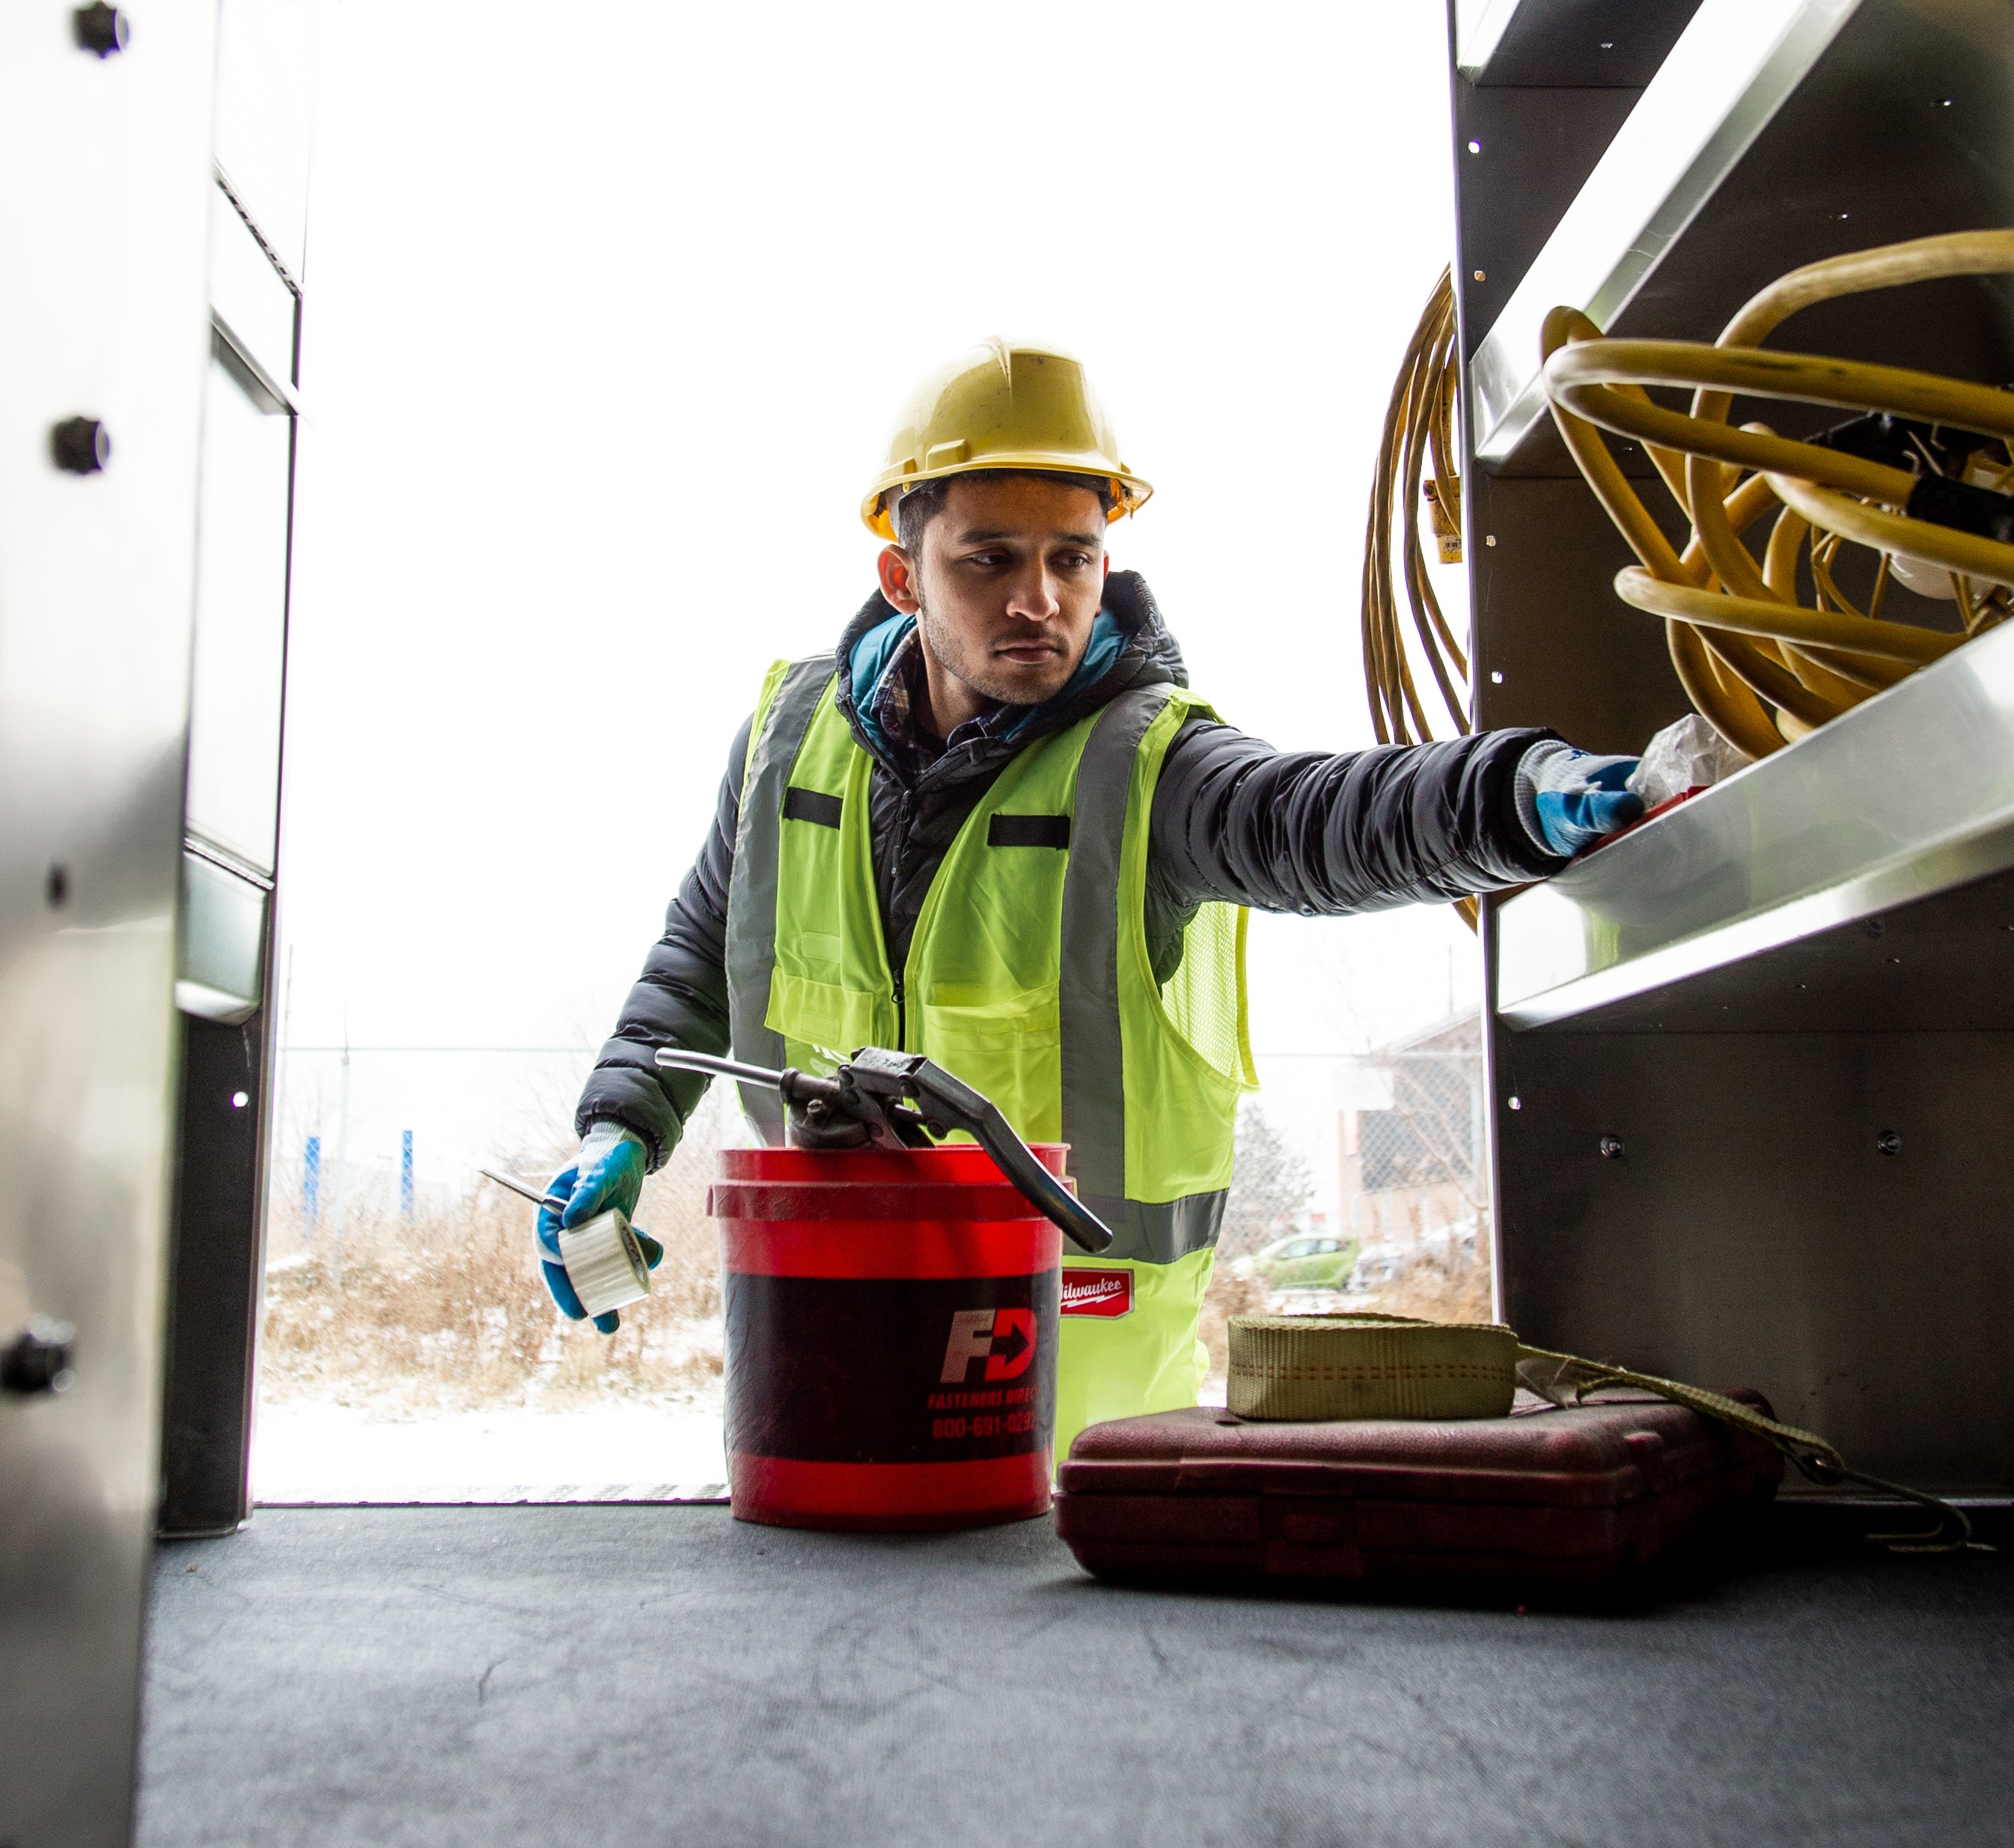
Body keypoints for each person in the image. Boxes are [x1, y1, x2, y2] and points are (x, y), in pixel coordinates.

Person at [549, 338, 1642, 1450]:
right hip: (830, 1356)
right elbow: (698, 955)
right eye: (990, 561)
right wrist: (620, 1127)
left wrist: (1511, 797)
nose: (1040, 600)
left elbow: (1323, 817)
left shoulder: (1148, 772)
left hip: (1081, 1433)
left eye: (1073, 559)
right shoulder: (788, 745)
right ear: (902, 575)